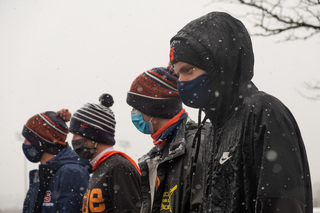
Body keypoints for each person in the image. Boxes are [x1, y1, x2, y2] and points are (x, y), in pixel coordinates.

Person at [169, 11, 313, 213]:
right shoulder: (214, 129)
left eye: (189, 70)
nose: (181, 81)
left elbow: (283, 204)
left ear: (218, 65)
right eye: (177, 73)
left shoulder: (264, 114)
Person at [126, 67, 208, 212]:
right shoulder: (161, 150)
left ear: (154, 108)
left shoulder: (197, 146)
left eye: (136, 107)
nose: (133, 113)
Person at [69, 93, 142, 213]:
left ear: (93, 135)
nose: (74, 140)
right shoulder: (100, 167)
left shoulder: (119, 167)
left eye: (77, 134)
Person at [22, 109, 91, 213]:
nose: (24, 144)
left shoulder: (72, 172)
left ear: (42, 142)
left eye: (28, 139)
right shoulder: (42, 174)